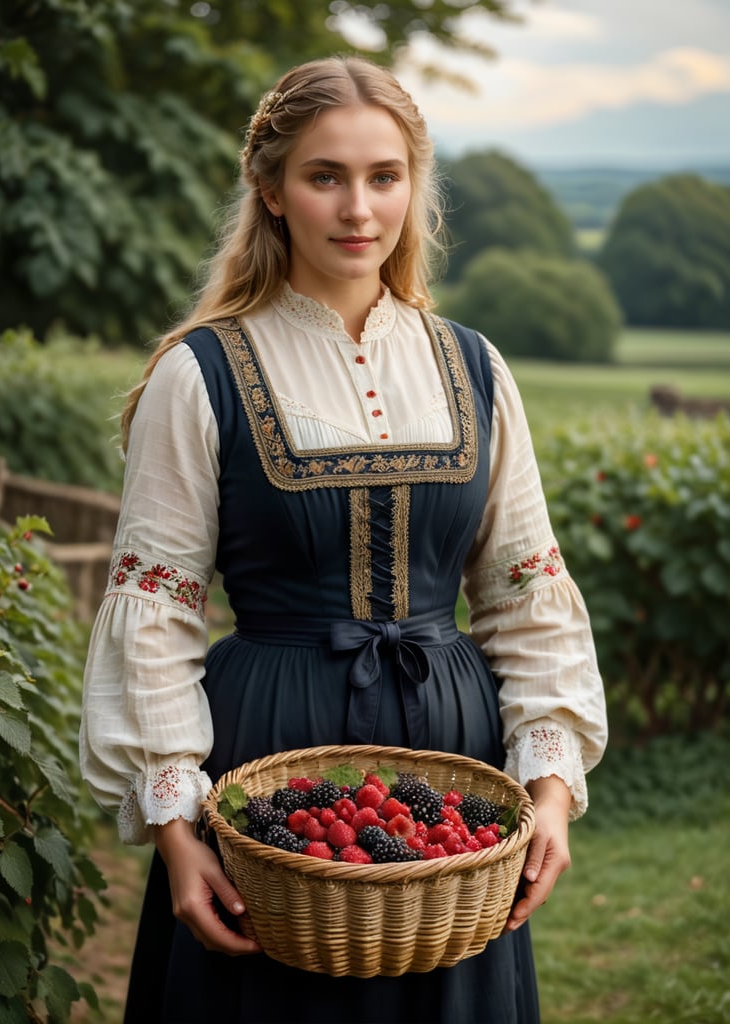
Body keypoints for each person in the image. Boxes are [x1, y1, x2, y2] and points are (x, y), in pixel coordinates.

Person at [80, 54, 607, 1024]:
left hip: (454, 782)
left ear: (413, 185)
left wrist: (547, 789)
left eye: (383, 176)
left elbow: (525, 593)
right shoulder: (201, 374)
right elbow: (154, 612)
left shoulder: (475, 368)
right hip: (267, 764)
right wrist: (177, 830)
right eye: (325, 176)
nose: (358, 208)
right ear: (271, 188)